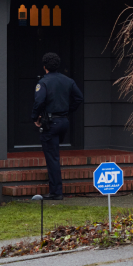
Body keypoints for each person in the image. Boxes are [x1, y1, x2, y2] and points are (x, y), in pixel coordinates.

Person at [32, 52, 84, 200]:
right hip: (64, 122)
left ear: (44, 67)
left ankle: (56, 192)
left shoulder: (43, 82)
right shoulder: (68, 80)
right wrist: (68, 110)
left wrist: (35, 117)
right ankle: (56, 189)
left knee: (52, 157)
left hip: (50, 123)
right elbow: (79, 98)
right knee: (54, 153)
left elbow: (39, 102)